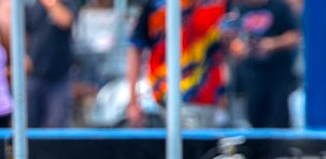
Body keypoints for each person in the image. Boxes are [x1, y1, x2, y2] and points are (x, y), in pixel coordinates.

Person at [125, 0, 227, 128]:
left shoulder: (217, 4)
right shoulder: (155, 5)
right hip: (164, 97)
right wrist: (133, 101)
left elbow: (229, 44)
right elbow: (135, 48)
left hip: (208, 96)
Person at [226, 0, 300, 128]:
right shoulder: (239, 9)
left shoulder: (279, 7)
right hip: (251, 75)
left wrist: (272, 44)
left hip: (278, 74)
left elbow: (294, 36)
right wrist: (239, 47)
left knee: (278, 117)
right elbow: (231, 39)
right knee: (254, 117)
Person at [24, 0, 77, 128]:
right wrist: (24, 55)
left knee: (55, 126)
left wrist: (50, 3)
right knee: (29, 124)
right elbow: (26, 32)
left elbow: (66, 20)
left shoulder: (68, 3)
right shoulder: (33, 6)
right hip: (33, 76)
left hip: (59, 77)